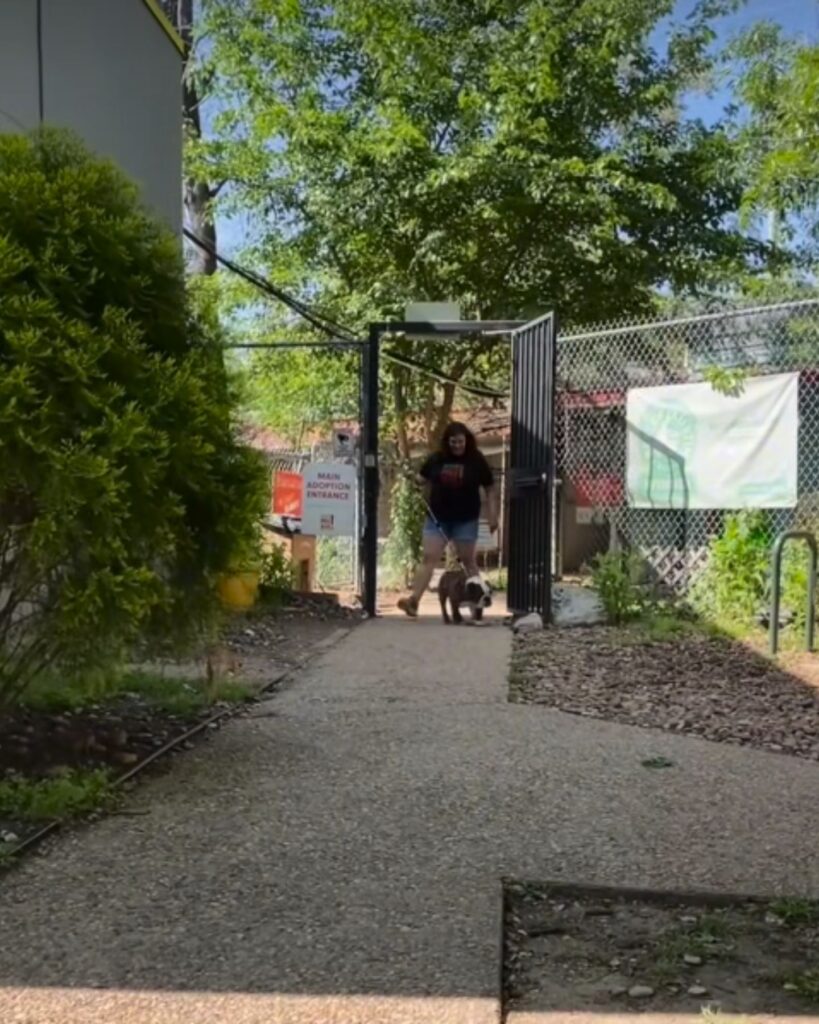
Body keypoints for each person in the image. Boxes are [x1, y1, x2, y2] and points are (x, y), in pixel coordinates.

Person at [397, 421, 498, 617]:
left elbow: (490, 488)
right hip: (438, 518)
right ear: (447, 442)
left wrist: (493, 515)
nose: (457, 446)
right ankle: (414, 601)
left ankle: (477, 605)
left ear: (467, 441)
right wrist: (412, 479)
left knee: (468, 561)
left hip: (466, 519)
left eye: (460, 442)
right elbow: (421, 478)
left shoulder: (476, 460)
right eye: (453, 442)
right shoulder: (437, 459)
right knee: (429, 558)